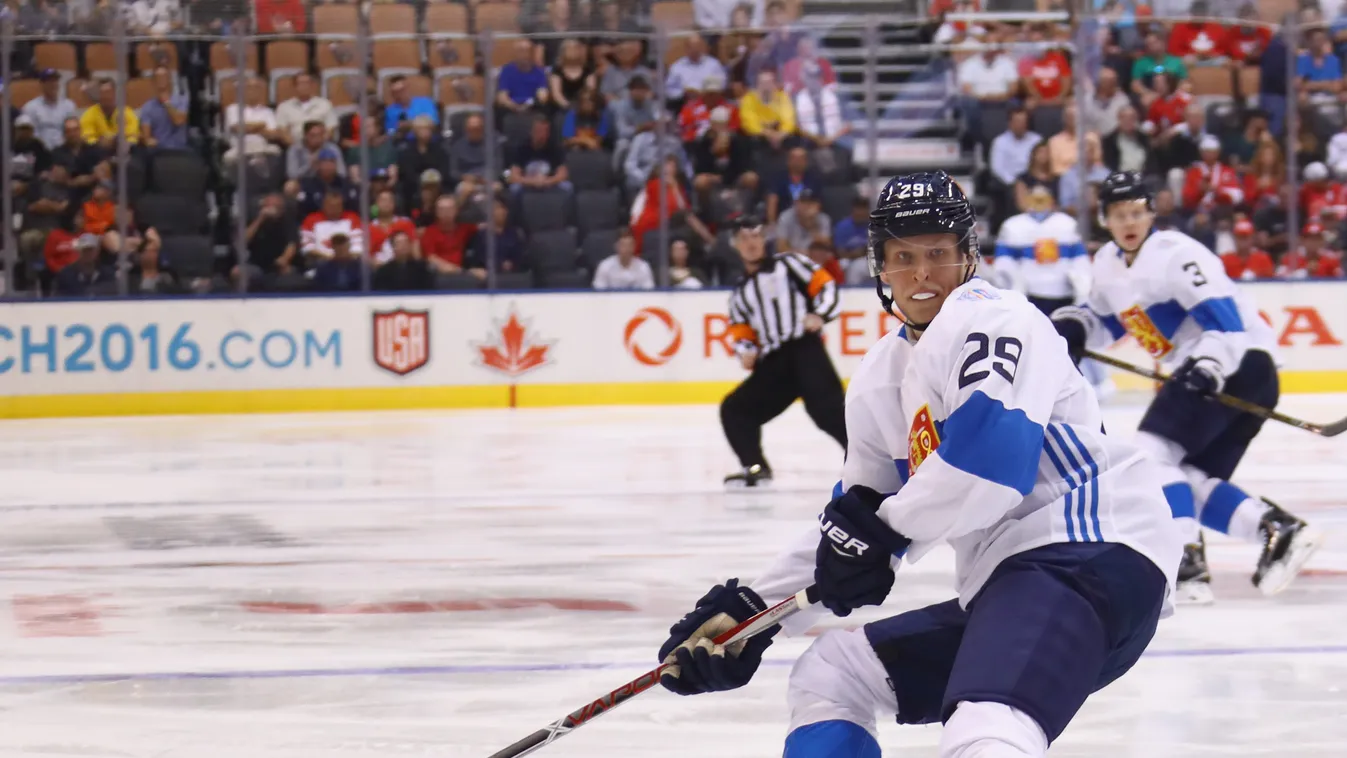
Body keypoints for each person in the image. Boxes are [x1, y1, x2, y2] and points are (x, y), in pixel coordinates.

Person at [657, 171, 1182, 758]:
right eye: (903, 257)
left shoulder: (993, 317)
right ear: (880, 267)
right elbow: (852, 523)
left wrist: (880, 536)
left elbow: (991, 465)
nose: (922, 273)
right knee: (832, 673)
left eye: (938, 253)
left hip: (1086, 553)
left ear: (968, 258)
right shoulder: (880, 377)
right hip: (1015, 584)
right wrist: (752, 617)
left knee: (984, 725)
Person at [1052, 171, 1323, 604]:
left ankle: (1185, 561)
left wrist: (1210, 366)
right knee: (1183, 476)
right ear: (1105, 218)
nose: (1129, 222)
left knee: (1151, 454)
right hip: (1217, 371)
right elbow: (1104, 321)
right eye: (1120, 214)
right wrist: (1075, 328)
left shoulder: (1177, 254)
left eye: (1137, 212)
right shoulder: (1106, 263)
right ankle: (1275, 530)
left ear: (1151, 213)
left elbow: (1227, 324)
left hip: (1237, 366)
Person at [717, 214, 844, 487]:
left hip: (804, 350)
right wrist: (746, 352)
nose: (751, 243)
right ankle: (755, 466)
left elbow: (826, 286)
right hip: (774, 362)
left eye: (755, 236)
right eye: (744, 239)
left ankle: (865, 460)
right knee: (735, 410)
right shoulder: (740, 293)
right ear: (735, 246)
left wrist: (820, 315)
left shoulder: (789, 264)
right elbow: (741, 332)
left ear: (764, 239)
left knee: (828, 411)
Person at [993, 185, 1090, 315]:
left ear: (1052, 200)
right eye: (1035, 199)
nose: (1039, 204)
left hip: (1063, 294)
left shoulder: (1067, 224)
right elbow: (1003, 263)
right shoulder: (1012, 226)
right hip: (1028, 295)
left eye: (1043, 199)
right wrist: (1017, 285)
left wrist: (1081, 288)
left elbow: (1080, 261)